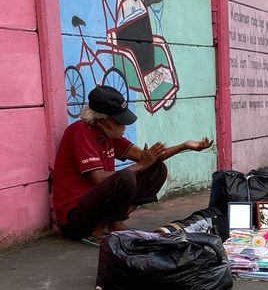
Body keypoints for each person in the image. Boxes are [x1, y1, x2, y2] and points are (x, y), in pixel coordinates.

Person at [52, 85, 213, 245]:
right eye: (119, 122)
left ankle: (114, 222)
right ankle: (96, 231)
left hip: (94, 209)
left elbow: (147, 158)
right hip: (75, 220)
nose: (124, 127)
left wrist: (183, 146)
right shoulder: (80, 131)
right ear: (102, 120)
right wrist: (142, 164)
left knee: (157, 169)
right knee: (127, 176)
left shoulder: (109, 134)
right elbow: (99, 178)